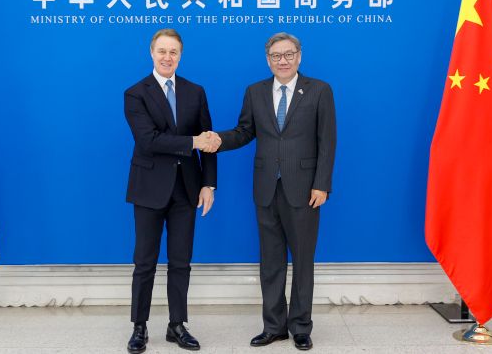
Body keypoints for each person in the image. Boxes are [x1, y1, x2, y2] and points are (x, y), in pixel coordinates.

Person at [211, 32, 336, 351]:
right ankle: (274, 326)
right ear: (268, 60)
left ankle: (301, 327)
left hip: (305, 189)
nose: (283, 60)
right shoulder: (255, 92)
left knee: (303, 260)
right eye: (277, 56)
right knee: (270, 261)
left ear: (299, 56)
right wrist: (218, 140)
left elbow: (327, 140)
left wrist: (322, 183)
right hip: (266, 187)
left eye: (289, 54)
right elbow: (244, 132)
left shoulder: (319, 90)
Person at [123, 28, 219, 353]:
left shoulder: (195, 91)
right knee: (144, 262)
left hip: (186, 190)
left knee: (181, 261)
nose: (167, 57)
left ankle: (177, 325)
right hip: (149, 188)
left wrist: (208, 183)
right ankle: (139, 327)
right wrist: (192, 142)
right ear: (151, 53)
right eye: (162, 51)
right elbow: (148, 140)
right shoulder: (135, 93)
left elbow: (209, 142)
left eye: (173, 52)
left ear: (180, 55)